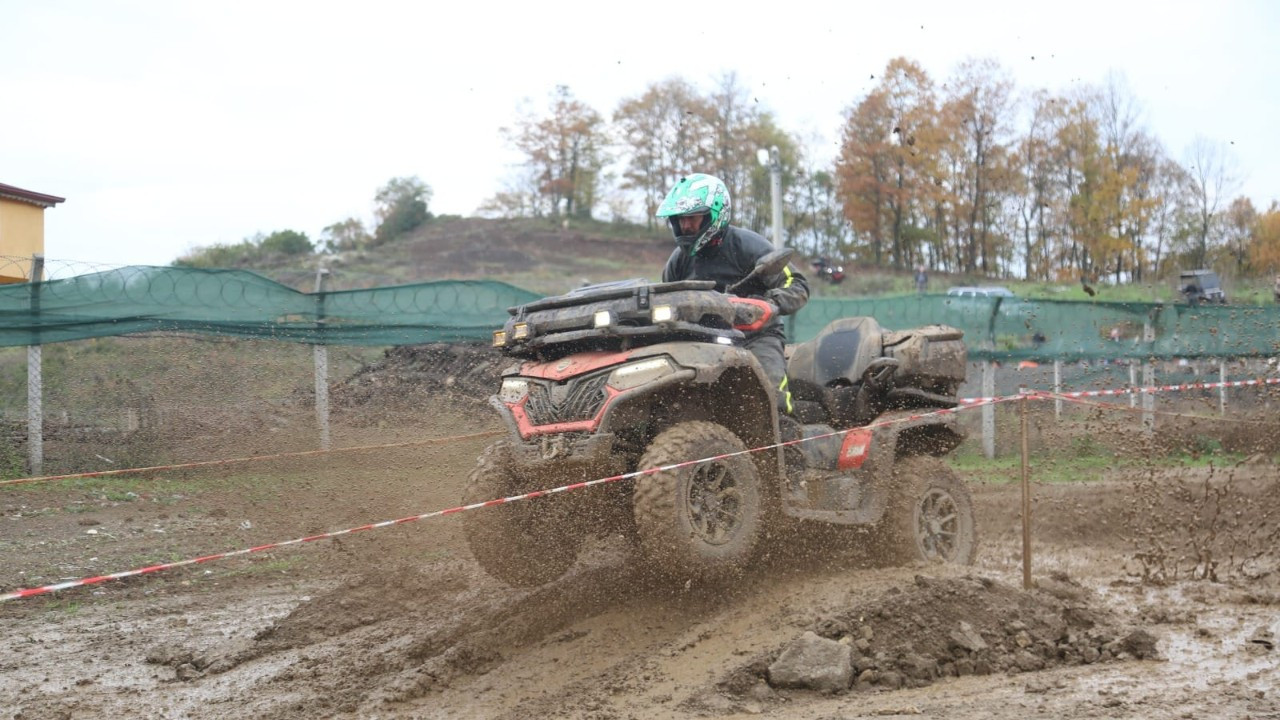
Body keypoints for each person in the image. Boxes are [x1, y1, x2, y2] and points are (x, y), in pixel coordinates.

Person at [656, 173, 809, 415]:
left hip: (756, 337)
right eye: (680, 220)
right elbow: (665, 301)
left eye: (692, 218)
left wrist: (770, 303)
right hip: (702, 341)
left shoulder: (747, 245)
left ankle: (786, 443)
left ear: (713, 214)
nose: (685, 226)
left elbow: (798, 284)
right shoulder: (679, 260)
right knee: (672, 400)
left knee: (772, 398)